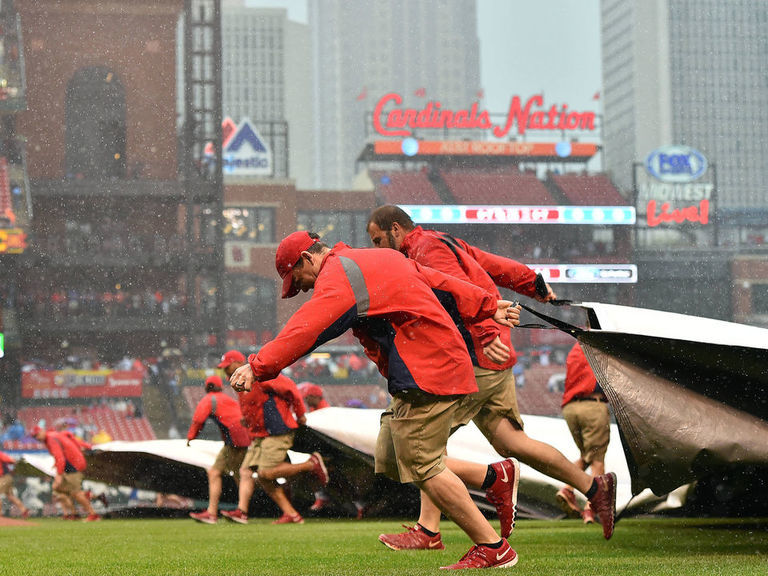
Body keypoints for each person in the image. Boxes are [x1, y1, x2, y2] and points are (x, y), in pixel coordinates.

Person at [230, 231, 521, 569]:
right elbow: (438, 281)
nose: (303, 288)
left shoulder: (340, 276)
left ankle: (492, 547)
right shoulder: (375, 259)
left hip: (428, 368)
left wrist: (257, 366)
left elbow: (306, 328)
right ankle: (492, 478)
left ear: (308, 258)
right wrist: (485, 305)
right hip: (428, 365)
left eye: (298, 279)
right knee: (391, 455)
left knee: (421, 462)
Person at [367, 205, 617, 546]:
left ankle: (434, 526)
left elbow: (457, 290)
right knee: (511, 442)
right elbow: (493, 266)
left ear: (395, 229)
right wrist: (534, 284)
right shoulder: (442, 240)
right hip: (493, 361)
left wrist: (485, 333)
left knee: (421, 443)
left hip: (478, 359)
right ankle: (594, 487)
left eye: (378, 240)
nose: (379, 248)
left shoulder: (424, 249)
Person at [217, 349, 329, 526]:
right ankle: (247, 512)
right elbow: (254, 404)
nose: (225, 370)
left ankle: (311, 464)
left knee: (265, 473)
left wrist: (300, 414)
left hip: (277, 431)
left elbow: (291, 388)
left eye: (227, 366)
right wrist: (247, 419)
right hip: (260, 435)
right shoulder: (240, 382)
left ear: (238, 364)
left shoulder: (260, 375)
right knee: (247, 472)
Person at [556, 341, 611, 524]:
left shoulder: (576, 348)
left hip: (571, 409)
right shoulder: (598, 345)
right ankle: (591, 507)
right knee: (597, 461)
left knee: (587, 456)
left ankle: (568, 489)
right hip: (592, 406)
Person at [187, 374, 251, 524]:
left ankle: (237, 512)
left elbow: (198, 419)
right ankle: (229, 511)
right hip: (241, 437)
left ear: (206, 387)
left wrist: (191, 437)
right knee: (227, 473)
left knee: (232, 474)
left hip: (235, 440)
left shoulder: (209, 399)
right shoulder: (227, 399)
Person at [31, 425, 101, 521]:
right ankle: (78, 509)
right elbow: (71, 438)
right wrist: (87, 447)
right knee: (59, 490)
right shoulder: (54, 435)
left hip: (73, 466)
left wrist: (59, 475)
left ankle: (93, 514)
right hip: (72, 465)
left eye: (37, 435)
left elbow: (60, 457)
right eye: (35, 437)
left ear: (42, 431)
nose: (37, 438)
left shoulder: (51, 438)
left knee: (74, 493)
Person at [0, 450, 30, 519]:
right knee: (10, 496)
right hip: (6, 477)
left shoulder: (0, 454)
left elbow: (12, 460)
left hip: (4, 477)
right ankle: (24, 509)